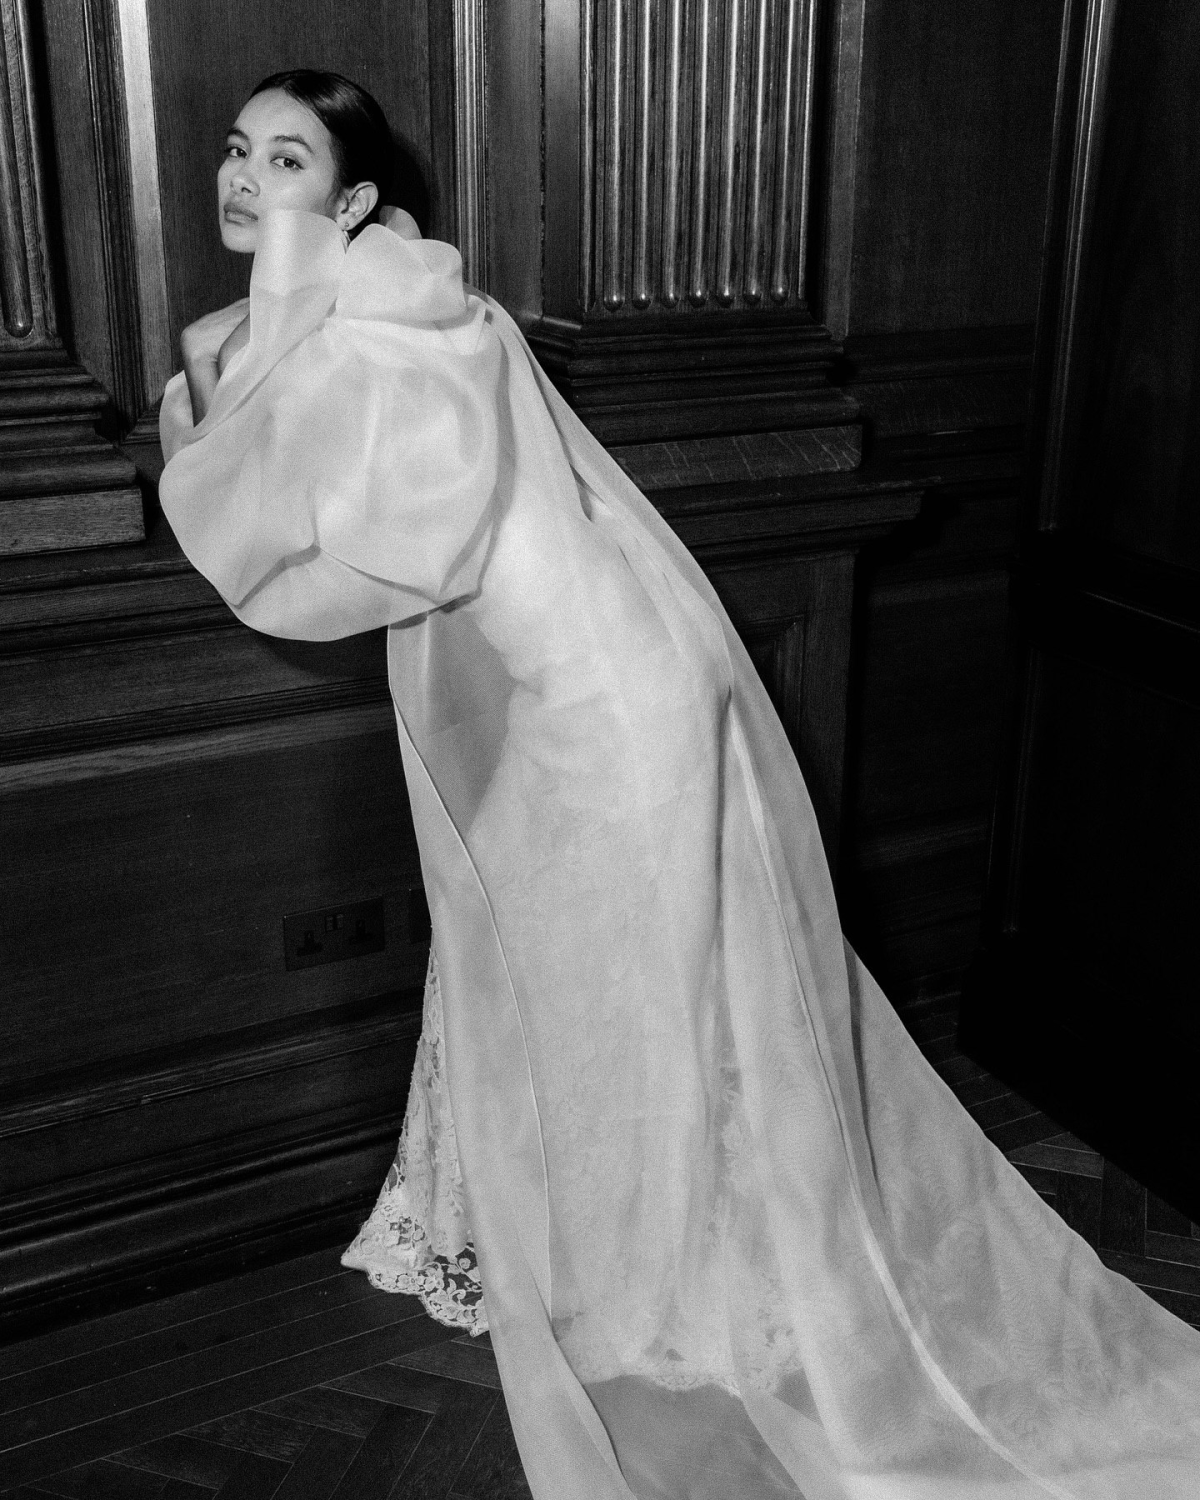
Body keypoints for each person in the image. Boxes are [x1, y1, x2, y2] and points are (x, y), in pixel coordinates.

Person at [161, 69, 1200, 1500]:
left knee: (623, 986)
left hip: (601, 694)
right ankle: (511, 1224)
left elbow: (356, 551)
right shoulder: (368, 299)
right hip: (568, 678)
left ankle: (666, 1283)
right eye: (237, 149)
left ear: (349, 204)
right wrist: (241, 349)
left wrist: (224, 376)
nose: (242, 177)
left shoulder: (397, 315)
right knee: (561, 967)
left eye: (286, 161)